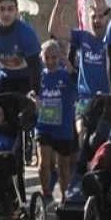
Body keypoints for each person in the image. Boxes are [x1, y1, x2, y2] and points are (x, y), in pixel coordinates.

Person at [47, 0, 111, 145]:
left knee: (103, 138)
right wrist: (60, 4)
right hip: (85, 100)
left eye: (101, 16)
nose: (97, 20)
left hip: (107, 99)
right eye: (93, 17)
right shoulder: (83, 37)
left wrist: (107, 10)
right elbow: (54, 29)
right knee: (81, 131)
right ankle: (82, 168)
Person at [33, 40, 76, 206]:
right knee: (43, 162)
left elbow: (77, 86)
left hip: (63, 128)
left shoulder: (66, 76)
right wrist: (33, 100)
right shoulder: (39, 77)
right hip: (43, 126)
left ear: (60, 57)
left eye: (54, 57)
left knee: (63, 167)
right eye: (46, 57)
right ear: (41, 58)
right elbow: (31, 93)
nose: (50, 61)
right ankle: (46, 193)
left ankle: (66, 198)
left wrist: (72, 71)